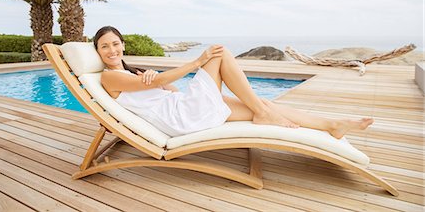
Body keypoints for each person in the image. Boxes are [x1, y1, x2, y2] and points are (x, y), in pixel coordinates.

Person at [94, 26, 373, 138]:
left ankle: (333, 125)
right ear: (98, 52)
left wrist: (157, 82)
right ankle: (263, 114)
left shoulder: (131, 73)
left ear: (123, 44)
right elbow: (164, 82)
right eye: (104, 47)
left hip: (178, 106)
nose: (111, 50)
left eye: (115, 44)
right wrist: (196, 62)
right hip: (179, 117)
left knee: (260, 103)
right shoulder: (109, 76)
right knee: (220, 52)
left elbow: (168, 86)